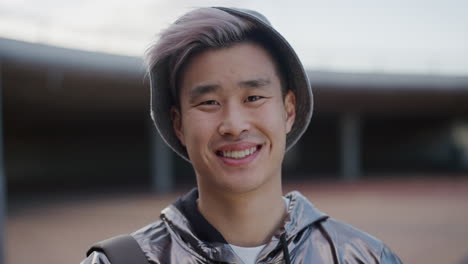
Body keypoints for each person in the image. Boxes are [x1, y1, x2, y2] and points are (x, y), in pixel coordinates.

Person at [82, 7, 403, 264]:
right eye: (209, 102)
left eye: (253, 97)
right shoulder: (118, 262)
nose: (234, 125)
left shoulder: (363, 257)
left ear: (288, 110)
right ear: (178, 124)